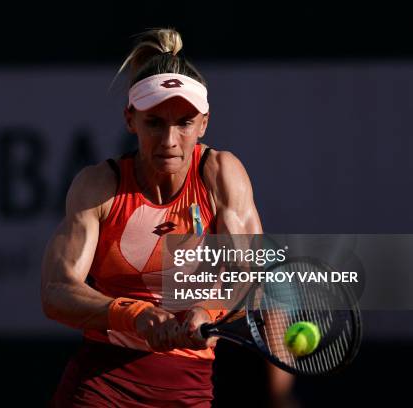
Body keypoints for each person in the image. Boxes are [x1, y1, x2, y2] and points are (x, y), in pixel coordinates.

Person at [41, 27, 291, 407]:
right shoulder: (98, 185)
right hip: (100, 389)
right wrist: (134, 314)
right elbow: (56, 291)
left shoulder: (221, 174)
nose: (170, 140)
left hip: (187, 390)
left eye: (184, 123)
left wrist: (207, 310)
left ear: (204, 123)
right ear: (131, 120)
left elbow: (251, 276)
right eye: (154, 122)